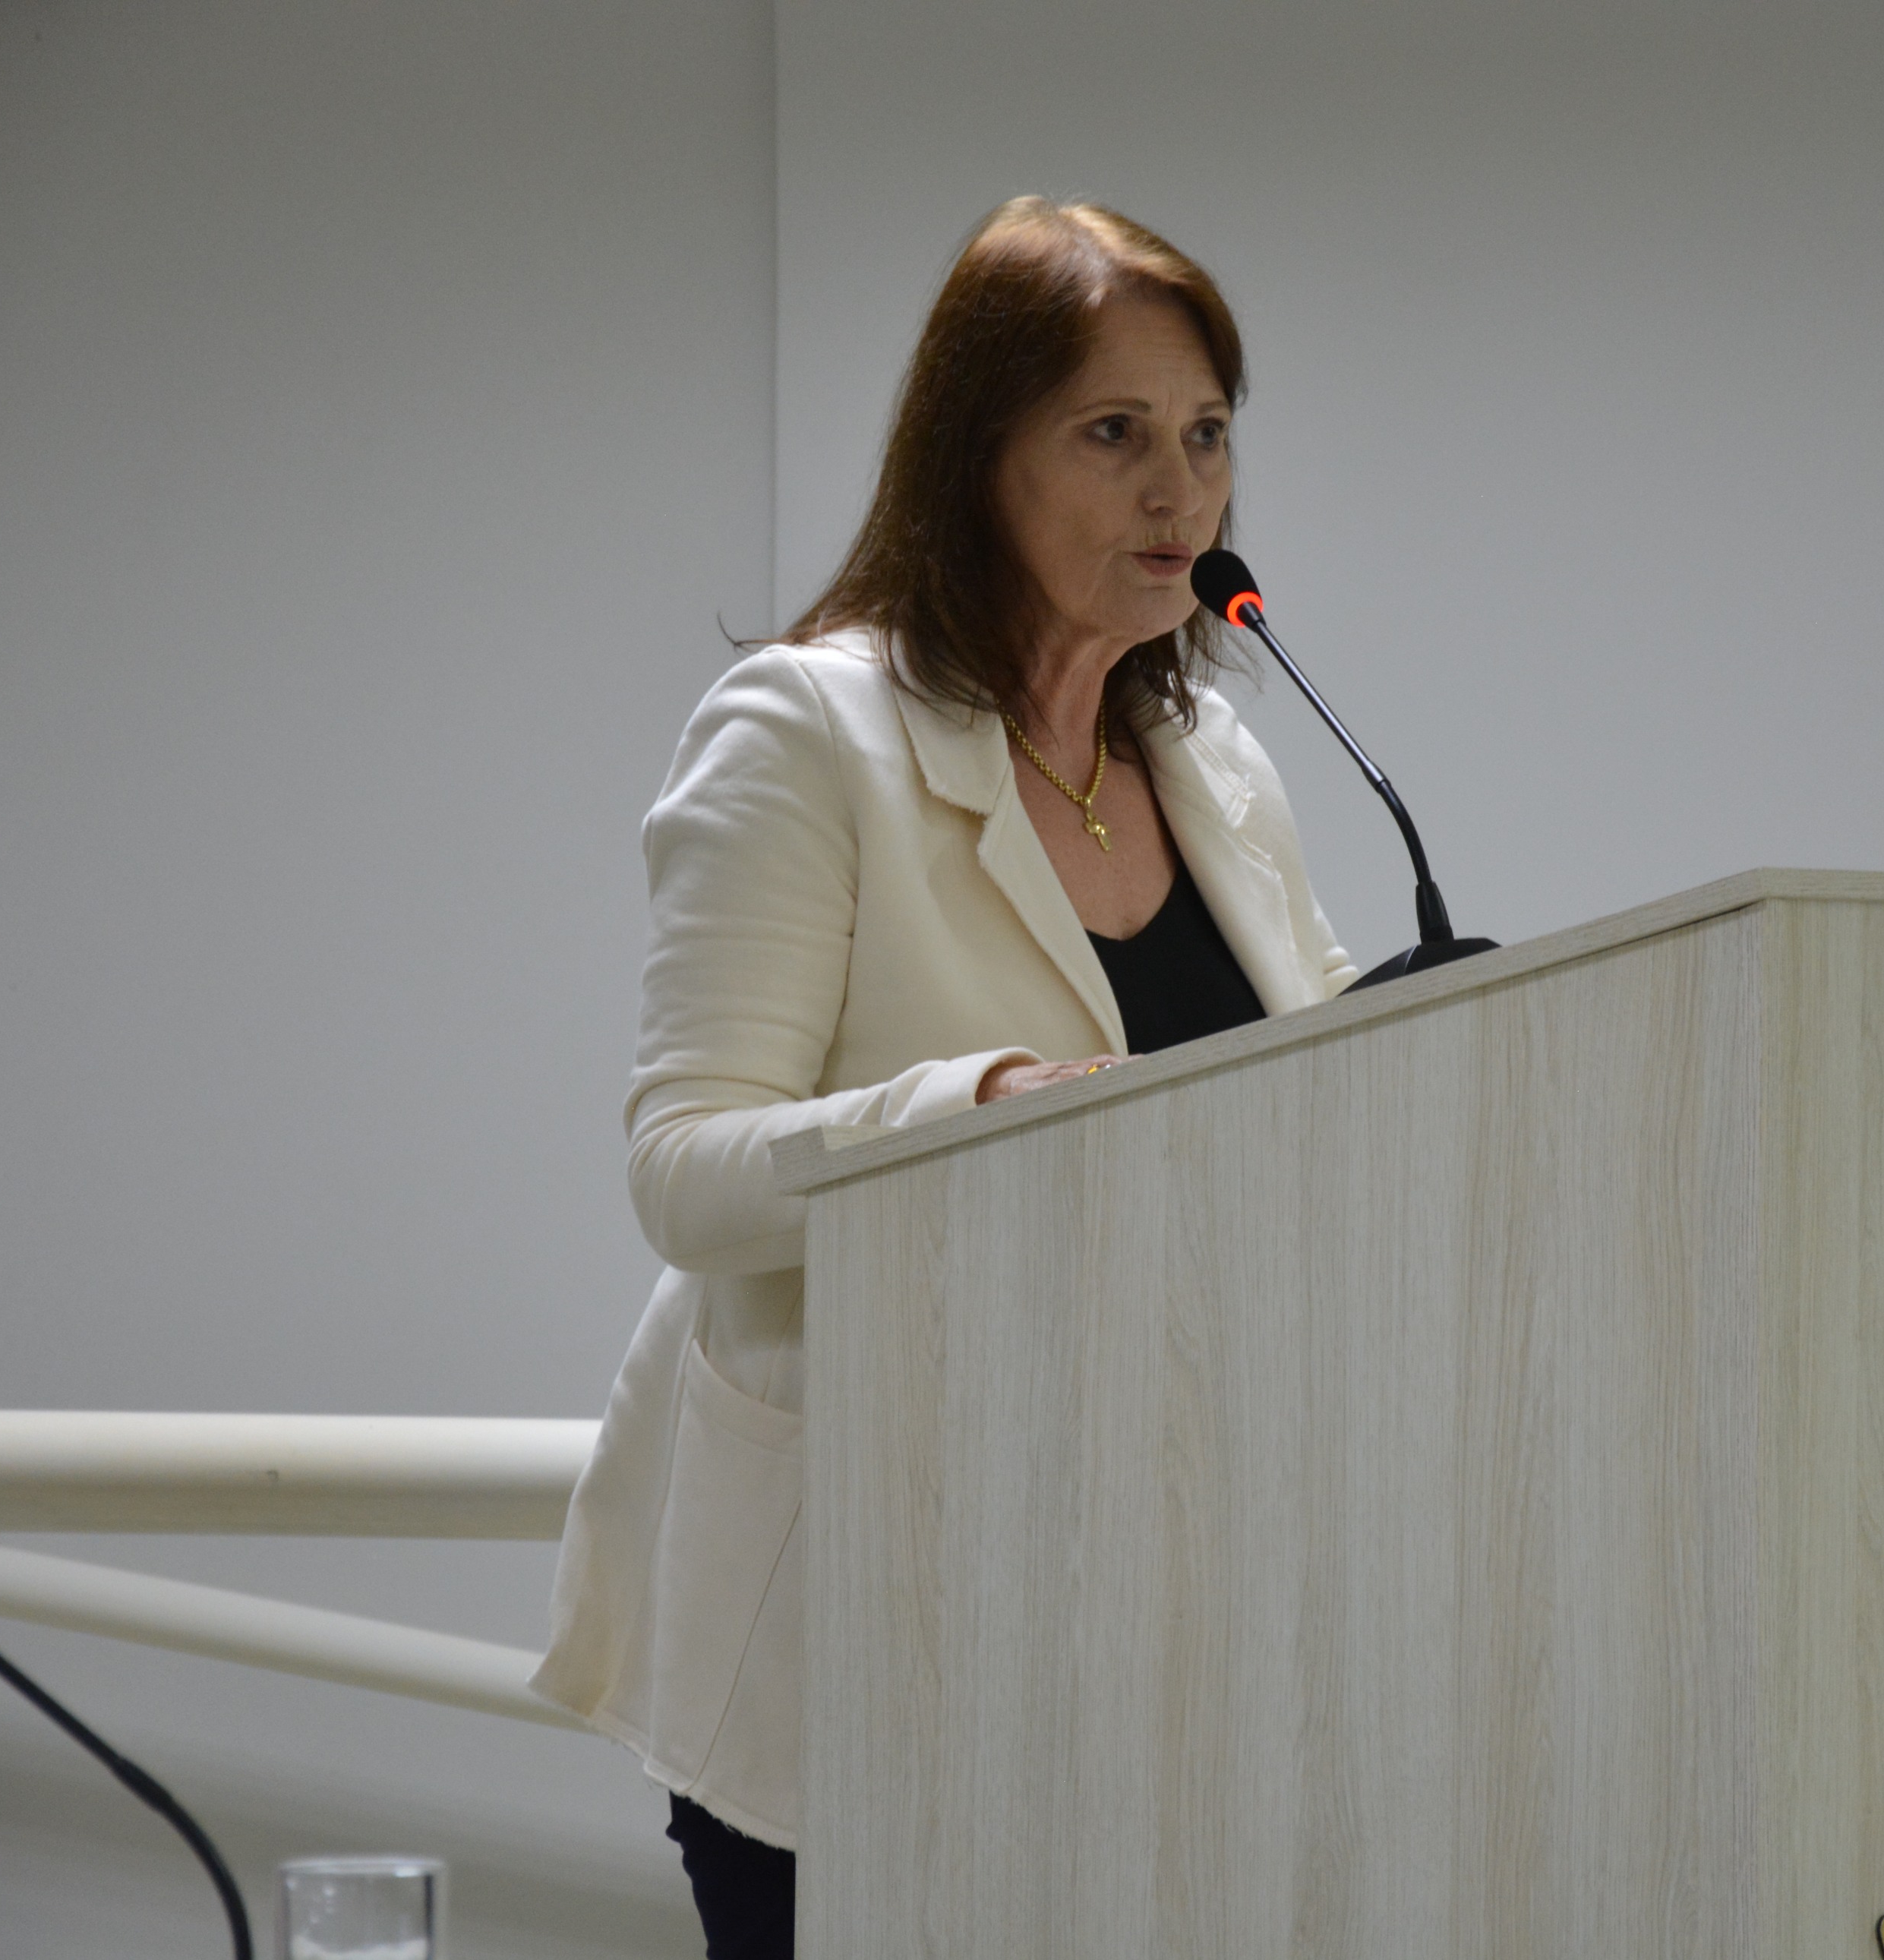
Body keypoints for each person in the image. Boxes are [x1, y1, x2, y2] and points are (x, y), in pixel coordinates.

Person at [532, 197, 1357, 1959]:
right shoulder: (804, 732)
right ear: (977, 458)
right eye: (1114, 433)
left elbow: (1327, 1080)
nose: (1181, 493)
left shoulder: (1213, 759)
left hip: (1177, 1625)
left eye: (1207, 433)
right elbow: (682, 1166)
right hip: (876, 1619)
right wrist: (965, 1117)